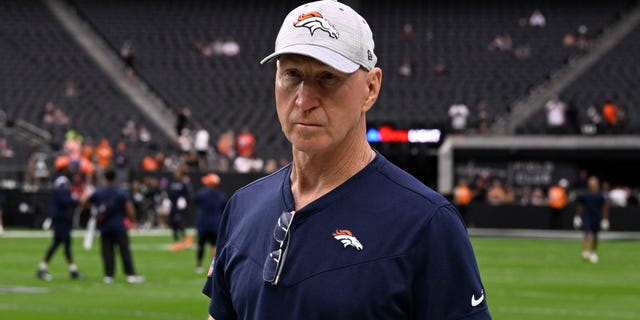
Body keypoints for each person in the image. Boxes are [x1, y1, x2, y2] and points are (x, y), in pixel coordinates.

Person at [202, 1, 490, 319]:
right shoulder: (243, 206)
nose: (303, 99)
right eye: (292, 74)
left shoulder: (427, 224)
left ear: (371, 87)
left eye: (327, 77)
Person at [83, 169, 143, 284]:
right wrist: (133, 220)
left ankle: (108, 275)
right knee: (124, 250)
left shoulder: (99, 192)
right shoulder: (120, 192)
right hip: (119, 225)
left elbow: (85, 203)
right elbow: (129, 207)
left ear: (104, 178)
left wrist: (95, 210)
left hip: (105, 225)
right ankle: (130, 274)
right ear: (115, 178)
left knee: (107, 251)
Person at [36, 157, 83, 281]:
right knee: (59, 243)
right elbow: (63, 199)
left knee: (64, 244)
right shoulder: (62, 181)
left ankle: (73, 270)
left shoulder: (61, 180)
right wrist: (75, 200)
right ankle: (42, 269)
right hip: (61, 218)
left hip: (62, 217)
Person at [194, 173, 226, 273]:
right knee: (214, 245)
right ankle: (214, 266)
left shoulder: (201, 194)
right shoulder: (221, 195)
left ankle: (199, 265)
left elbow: (195, 201)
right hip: (216, 223)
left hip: (203, 223)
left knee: (201, 245)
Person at [573, 176, 610, 263]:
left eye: (593, 184)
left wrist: (605, 219)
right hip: (587, 217)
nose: (592, 185)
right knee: (586, 233)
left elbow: (604, 207)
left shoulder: (601, 195)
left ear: (597, 184)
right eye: (590, 184)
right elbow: (580, 206)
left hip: (597, 217)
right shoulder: (585, 195)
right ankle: (585, 252)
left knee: (595, 236)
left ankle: (594, 252)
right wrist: (578, 217)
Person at [168, 168, 191, 250]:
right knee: (173, 223)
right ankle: (176, 241)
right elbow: (169, 193)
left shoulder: (183, 184)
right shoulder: (172, 183)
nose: (176, 175)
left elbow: (187, 194)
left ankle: (186, 237)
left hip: (179, 207)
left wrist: (183, 200)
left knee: (179, 222)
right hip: (172, 206)